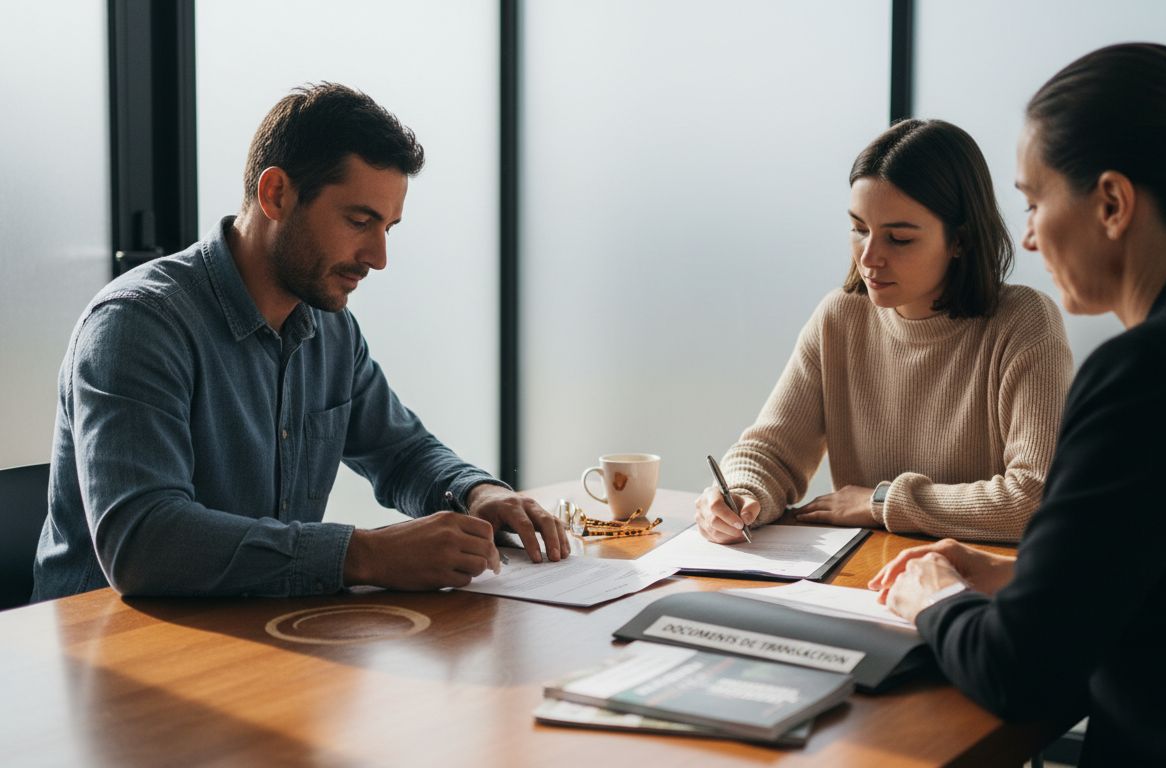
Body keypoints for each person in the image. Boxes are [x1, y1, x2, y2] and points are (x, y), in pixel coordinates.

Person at [871, 43, 1166, 766]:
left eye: (1034, 202)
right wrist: (1018, 576)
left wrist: (933, 595)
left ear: (1113, 203)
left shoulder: (1148, 372)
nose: (1027, 236)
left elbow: (1017, 673)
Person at [32, 83, 568, 601]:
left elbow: (401, 452)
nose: (379, 257)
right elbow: (144, 542)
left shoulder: (328, 327)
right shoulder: (137, 324)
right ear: (276, 194)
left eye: (389, 227)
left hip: (257, 632)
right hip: (112, 661)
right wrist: (365, 555)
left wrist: (479, 493)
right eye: (359, 221)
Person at [696, 119, 1073, 545]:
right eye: (859, 229)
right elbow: (771, 451)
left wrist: (883, 502)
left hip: (972, 584)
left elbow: (1036, 497)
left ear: (960, 241)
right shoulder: (840, 317)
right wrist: (739, 495)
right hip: (861, 571)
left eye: (898, 238)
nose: (869, 257)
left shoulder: (1024, 322)